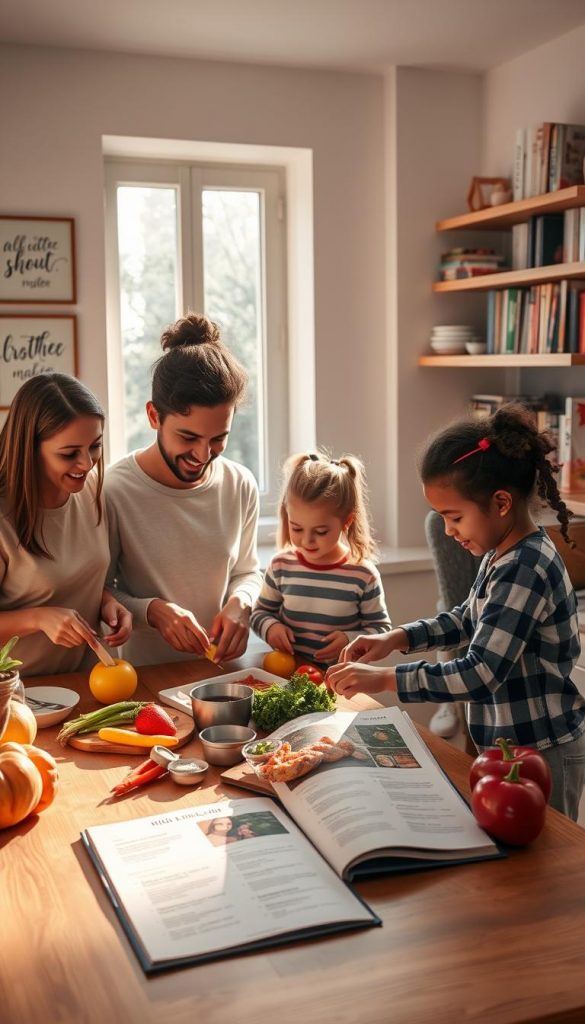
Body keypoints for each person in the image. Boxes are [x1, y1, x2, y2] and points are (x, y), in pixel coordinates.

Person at [327, 403, 585, 820]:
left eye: (454, 517)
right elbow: (468, 618)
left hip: (543, 750)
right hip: (510, 746)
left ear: (501, 502)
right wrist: (397, 637)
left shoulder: (525, 567)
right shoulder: (502, 552)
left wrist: (386, 679)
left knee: (547, 871)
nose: (449, 531)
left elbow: (480, 672)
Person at [106, 312, 262, 666]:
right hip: (143, 679)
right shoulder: (115, 490)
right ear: (153, 416)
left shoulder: (240, 484)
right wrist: (154, 611)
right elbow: (99, 591)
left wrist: (242, 602)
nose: (203, 455)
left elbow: (248, 572)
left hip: (223, 674)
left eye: (219, 439)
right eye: (188, 437)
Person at [0, 374, 132, 676]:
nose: (87, 463)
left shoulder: (91, 490)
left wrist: (107, 602)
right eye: (69, 453)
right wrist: (38, 619)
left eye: (95, 446)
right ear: (29, 449)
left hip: (86, 682)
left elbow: (73, 576)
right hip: (19, 694)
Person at [250, 450, 391, 666]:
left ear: (346, 522)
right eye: (296, 528)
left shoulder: (363, 575)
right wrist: (271, 627)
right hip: (288, 678)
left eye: (321, 531)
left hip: (341, 681)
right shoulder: (281, 566)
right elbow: (259, 613)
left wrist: (349, 639)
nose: (307, 541)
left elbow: (381, 629)